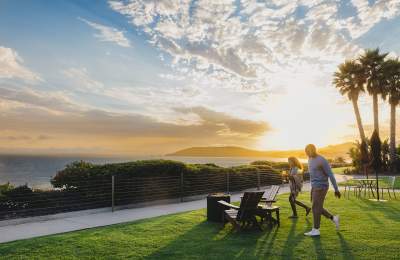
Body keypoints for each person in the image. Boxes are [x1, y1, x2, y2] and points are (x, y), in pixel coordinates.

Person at [304, 144, 341, 237]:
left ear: (314, 150)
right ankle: (333, 218)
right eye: (306, 152)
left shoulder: (322, 160)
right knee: (316, 207)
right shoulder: (309, 159)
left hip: (321, 186)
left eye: (309, 151)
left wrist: (336, 189)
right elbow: (313, 173)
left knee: (315, 208)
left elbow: (331, 175)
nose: (307, 153)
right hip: (314, 186)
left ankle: (316, 229)